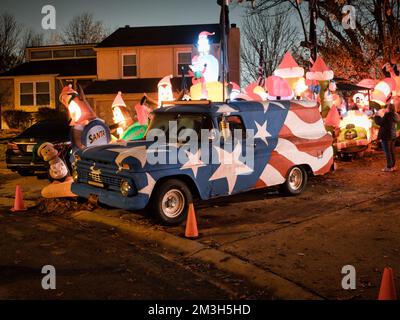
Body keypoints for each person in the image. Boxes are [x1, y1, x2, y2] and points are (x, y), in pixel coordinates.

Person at [374, 97, 400, 172]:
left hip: (386, 136)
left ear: (389, 108)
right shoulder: (395, 115)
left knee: (387, 152)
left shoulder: (388, 115)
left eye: (387, 107)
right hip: (393, 135)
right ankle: (393, 166)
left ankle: (389, 167)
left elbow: (380, 122)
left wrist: (376, 116)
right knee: (392, 151)